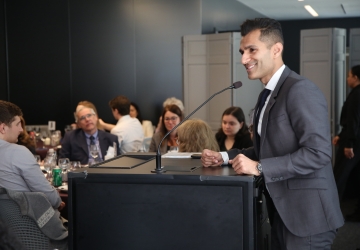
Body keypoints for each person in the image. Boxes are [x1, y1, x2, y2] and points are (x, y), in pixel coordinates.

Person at [201, 18, 343, 249]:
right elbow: (267, 148)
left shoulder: (300, 89)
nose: (243, 59)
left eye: (251, 50)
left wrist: (259, 167)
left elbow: (318, 153)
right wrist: (225, 157)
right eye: (242, 51)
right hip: (281, 212)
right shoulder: (266, 95)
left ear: (276, 49)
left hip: (307, 218)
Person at [0, 100, 64, 210]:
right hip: (30, 223)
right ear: (3, 128)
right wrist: (58, 201)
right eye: (17, 124)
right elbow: (51, 198)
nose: (21, 129)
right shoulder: (18, 152)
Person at [333, 64, 360, 222]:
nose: (347, 78)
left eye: (349, 75)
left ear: (356, 78)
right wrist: (342, 135)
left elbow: (354, 121)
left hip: (353, 144)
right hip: (353, 140)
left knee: (339, 177)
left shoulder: (356, 95)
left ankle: (330, 212)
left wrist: (348, 143)